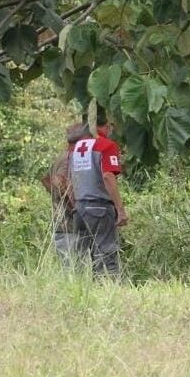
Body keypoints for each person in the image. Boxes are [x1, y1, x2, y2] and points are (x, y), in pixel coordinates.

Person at [67, 110, 129, 276]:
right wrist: (120, 210)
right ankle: (108, 291)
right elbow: (108, 176)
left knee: (79, 257)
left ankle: (79, 291)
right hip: (99, 208)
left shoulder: (76, 147)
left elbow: (70, 178)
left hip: (79, 208)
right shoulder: (107, 145)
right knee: (106, 254)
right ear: (107, 126)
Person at [40, 122, 87, 266]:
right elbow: (57, 181)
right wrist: (72, 206)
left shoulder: (62, 157)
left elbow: (45, 180)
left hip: (62, 225)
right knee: (74, 270)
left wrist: (57, 200)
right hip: (69, 227)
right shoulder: (70, 158)